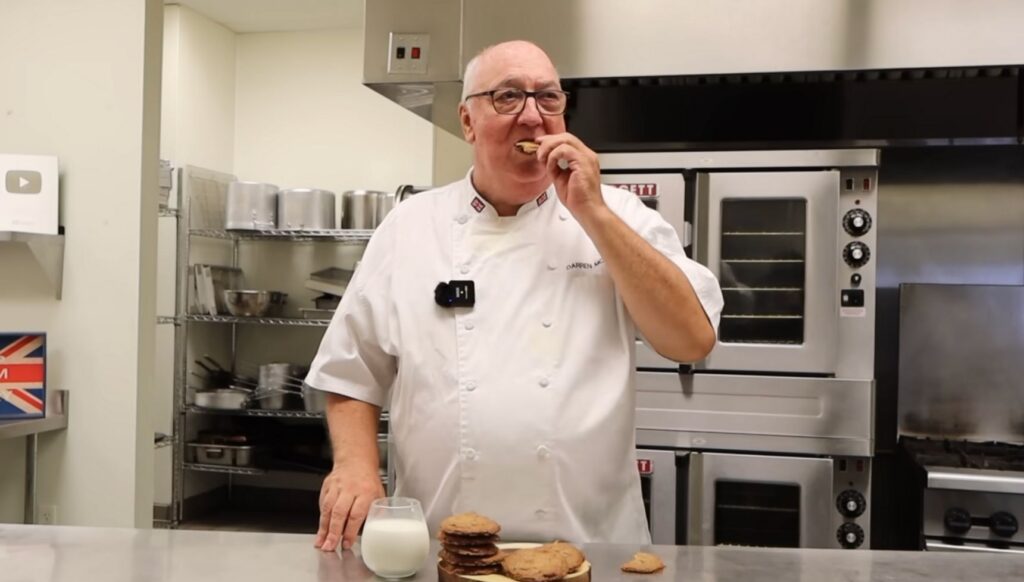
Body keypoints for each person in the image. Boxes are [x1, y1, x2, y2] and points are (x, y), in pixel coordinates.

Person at [306, 40, 723, 552]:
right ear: (467, 121)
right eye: (508, 97)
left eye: (548, 98)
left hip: (589, 547)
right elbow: (351, 371)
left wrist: (591, 214)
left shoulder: (619, 216)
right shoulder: (411, 227)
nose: (533, 117)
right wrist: (354, 465)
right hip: (443, 548)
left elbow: (691, 340)